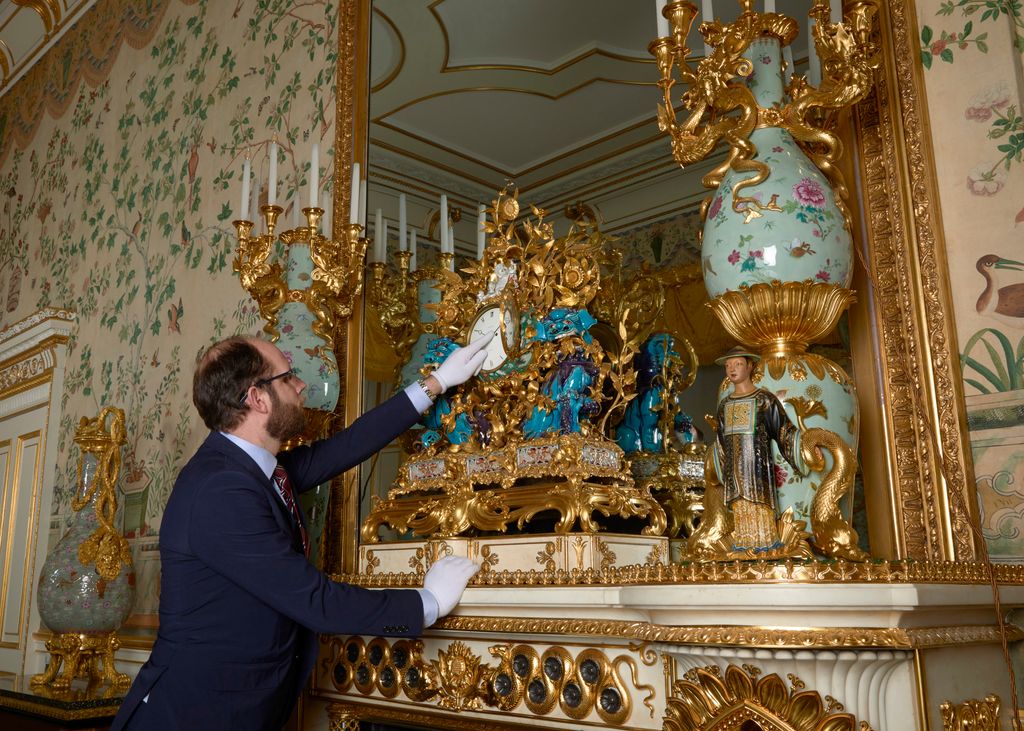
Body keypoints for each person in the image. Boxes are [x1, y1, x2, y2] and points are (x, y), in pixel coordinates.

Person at [112, 332, 493, 730]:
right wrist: (427, 603)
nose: (300, 385)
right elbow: (315, 600)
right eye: (288, 377)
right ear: (257, 399)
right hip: (191, 716)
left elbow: (343, 448)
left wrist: (436, 383)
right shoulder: (220, 489)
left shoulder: (250, 469)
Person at [712, 346, 803, 552]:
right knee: (740, 508)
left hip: (757, 469)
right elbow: (720, 442)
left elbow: (784, 430)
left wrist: (803, 447)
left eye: (738, 364)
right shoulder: (725, 405)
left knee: (759, 505)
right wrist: (723, 469)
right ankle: (744, 547)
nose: (732, 369)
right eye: (728, 366)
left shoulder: (763, 400)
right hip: (734, 472)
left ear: (750, 366)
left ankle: (766, 546)